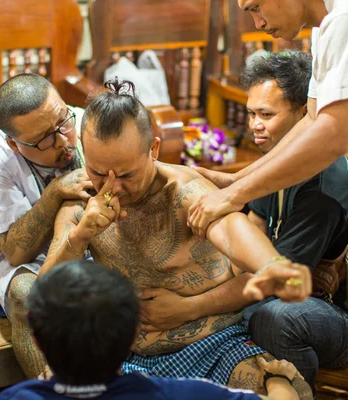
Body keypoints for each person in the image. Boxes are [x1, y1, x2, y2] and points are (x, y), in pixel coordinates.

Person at [188, 1, 348, 399]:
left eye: (255, 7)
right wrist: (235, 179)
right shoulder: (327, 31)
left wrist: (234, 194)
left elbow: (332, 135)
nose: (257, 22)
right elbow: (311, 121)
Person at [37, 78, 314, 399]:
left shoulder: (184, 191)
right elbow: (44, 294)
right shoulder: (80, 203)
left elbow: (230, 228)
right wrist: (81, 234)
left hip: (213, 344)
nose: (113, 186)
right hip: (118, 356)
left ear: (153, 149)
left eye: (126, 174)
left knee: (280, 389)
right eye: (99, 172)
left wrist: (271, 264)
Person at [141, 50, 348, 393]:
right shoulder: (277, 163)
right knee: (239, 307)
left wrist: (185, 309)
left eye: (266, 114)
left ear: (305, 113)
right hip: (302, 292)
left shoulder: (324, 189)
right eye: (252, 113)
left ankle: (299, 389)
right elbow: (252, 231)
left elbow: (270, 282)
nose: (254, 124)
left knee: (271, 318)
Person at [0, 259, 303, 400]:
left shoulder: (17, 397)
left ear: (37, 341)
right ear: (133, 335)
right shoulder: (179, 394)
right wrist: (278, 380)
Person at [0, 73, 93, 378]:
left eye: (63, 121)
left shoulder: (90, 123)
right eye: (44, 139)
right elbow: (14, 252)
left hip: (103, 242)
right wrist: (53, 193)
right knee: (29, 296)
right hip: (31, 261)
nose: (64, 140)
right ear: (14, 143)